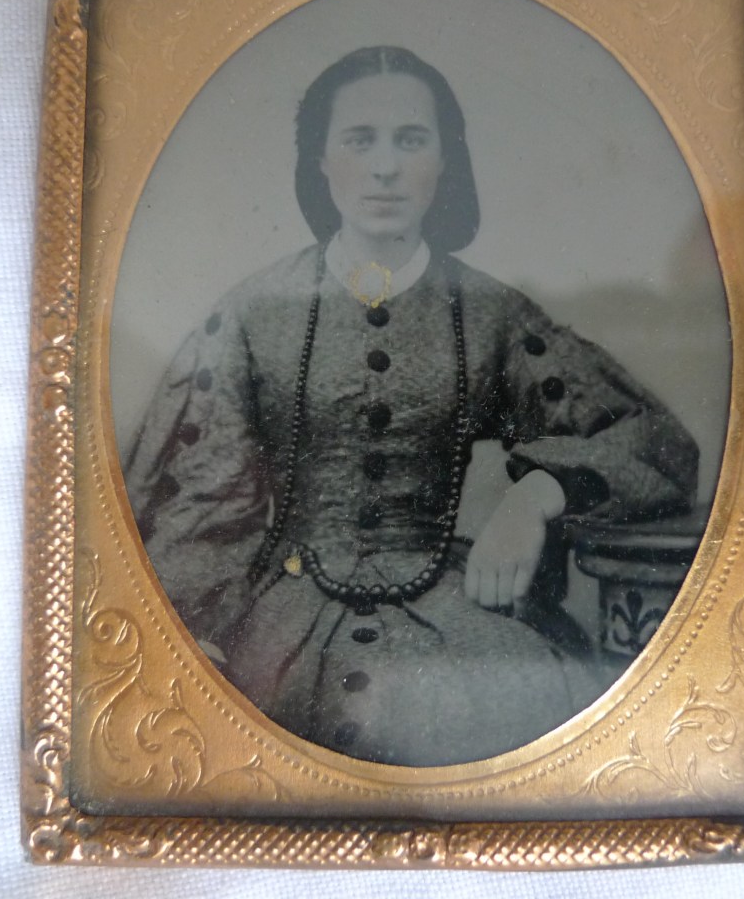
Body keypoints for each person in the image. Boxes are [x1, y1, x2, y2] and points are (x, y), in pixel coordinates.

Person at [125, 46, 699, 767]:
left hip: (455, 613)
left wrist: (536, 496)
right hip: (280, 618)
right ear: (321, 160)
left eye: (410, 140)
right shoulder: (253, 314)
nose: (385, 168)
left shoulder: (491, 314)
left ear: (443, 160)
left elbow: (650, 439)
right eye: (359, 140)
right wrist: (199, 642)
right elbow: (200, 504)